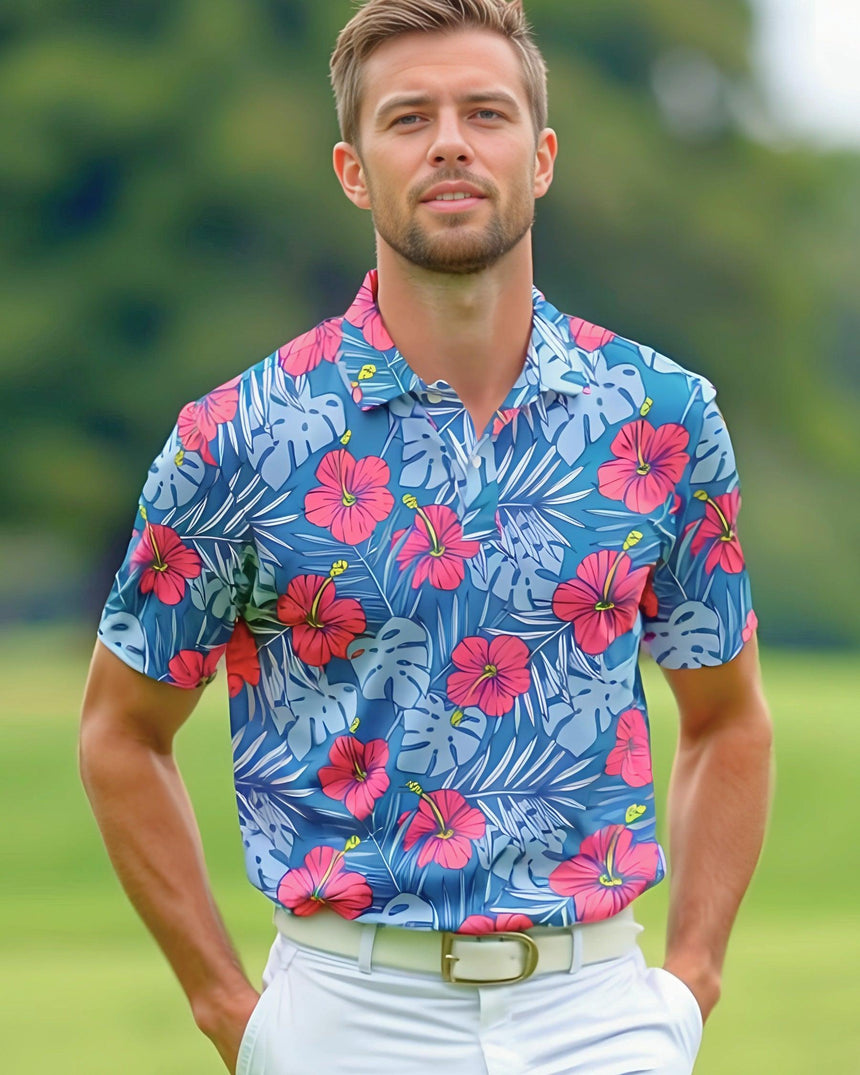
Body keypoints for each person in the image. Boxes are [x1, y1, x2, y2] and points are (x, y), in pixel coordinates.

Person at [79, 1, 773, 1072]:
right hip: (344, 1017)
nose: (450, 140)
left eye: (483, 112)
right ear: (354, 170)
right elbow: (121, 733)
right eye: (408, 119)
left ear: (539, 158)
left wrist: (689, 983)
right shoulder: (238, 437)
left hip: (598, 1013)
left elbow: (726, 718)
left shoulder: (660, 417)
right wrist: (234, 1011)